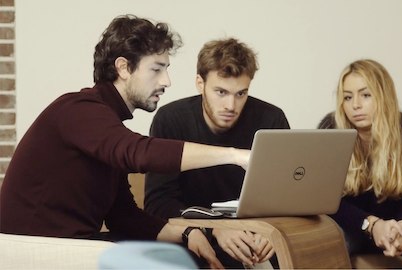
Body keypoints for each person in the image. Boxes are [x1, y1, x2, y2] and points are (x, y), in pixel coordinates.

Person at [0, 15, 251, 269]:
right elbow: (139, 153)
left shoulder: (105, 127)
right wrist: (234, 155)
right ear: (123, 68)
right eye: (156, 69)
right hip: (34, 248)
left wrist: (189, 233)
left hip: (71, 245)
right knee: (169, 263)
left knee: (184, 254)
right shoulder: (77, 110)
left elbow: (124, 216)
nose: (166, 81)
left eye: (166, 69)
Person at [144, 38, 290, 268]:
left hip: (256, 236)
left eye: (241, 94)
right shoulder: (171, 119)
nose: (231, 105)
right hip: (196, 234)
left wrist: (271, 230)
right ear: (200, 83)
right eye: (221, 92)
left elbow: (285, 195)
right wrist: (214, 229)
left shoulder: (271, 119)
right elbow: (158, 202)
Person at [318, 59, 402, 268]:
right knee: (324, 236)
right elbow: (327, 202)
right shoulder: (330, 130)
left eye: (365, 95)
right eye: (348, 97)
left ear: (383, 95)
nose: (356, 105)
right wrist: (371, 224)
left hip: (396, 231)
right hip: (352, 228)